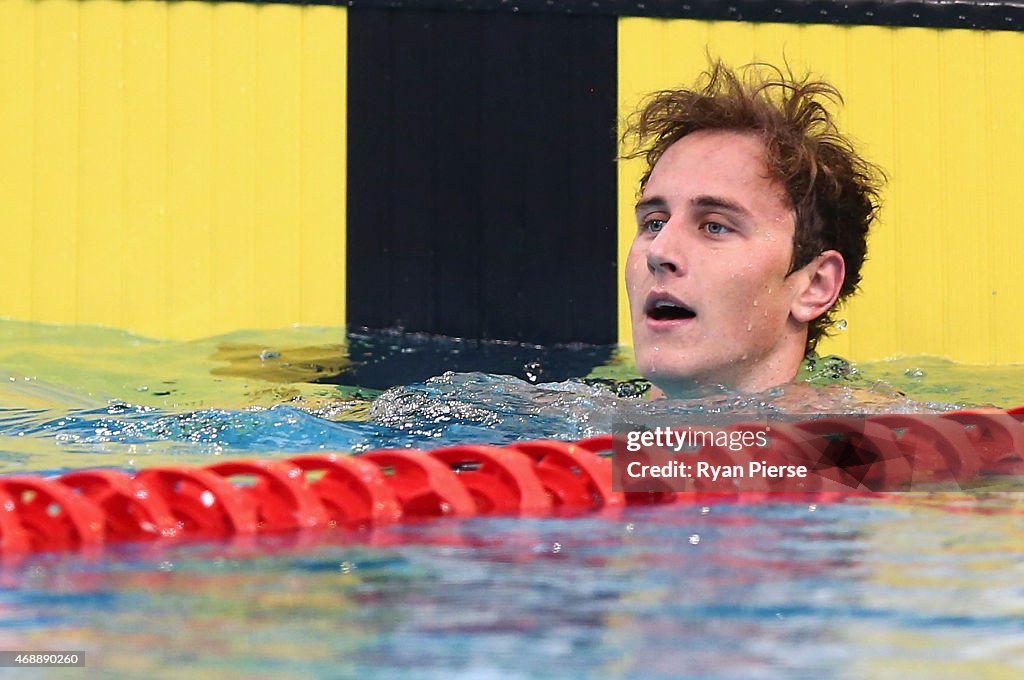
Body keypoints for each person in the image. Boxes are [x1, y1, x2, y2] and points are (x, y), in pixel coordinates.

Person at [622, 60, 884, 397]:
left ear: (814, 285)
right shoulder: (559, 423)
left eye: (715, 227)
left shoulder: (879, 443)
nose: (659, 252)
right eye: (654, 223)